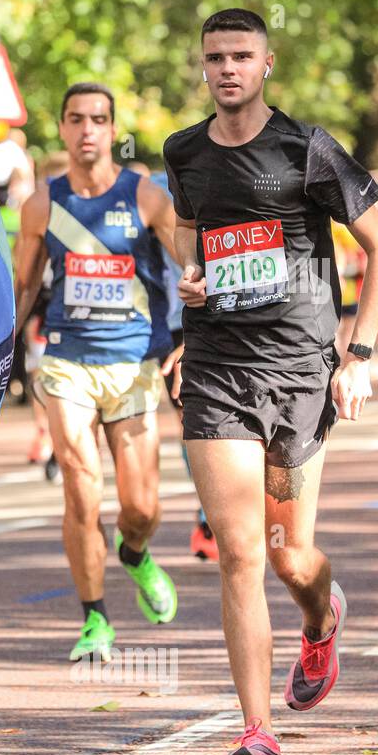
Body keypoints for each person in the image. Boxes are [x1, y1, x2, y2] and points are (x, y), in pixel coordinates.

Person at [164, 9, 378, 755]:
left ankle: (321, 616)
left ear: (267, 63)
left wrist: (357, 354)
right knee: (238, 552)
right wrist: (191, 282)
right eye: (214, 58)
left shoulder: (309, 149)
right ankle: (259, 738)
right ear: (203, 67)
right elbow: (193, 241)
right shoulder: (185, 152)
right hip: (218, 368)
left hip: (300, 373)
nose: (227, 68)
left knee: (288, 555)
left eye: (241, 56)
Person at [13, 82, 181, 664]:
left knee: (142, 508)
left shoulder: (148, 198)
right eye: (77, 119)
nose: (88, 130)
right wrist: (3, 353)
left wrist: (194, 338)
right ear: (61, 128)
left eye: (99, 120)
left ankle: (134, 553)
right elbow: (26, 284)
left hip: (134, 364)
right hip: (67, 362)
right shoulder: (40, 205)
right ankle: (95, 619)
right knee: (82, 491)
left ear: (113, 130)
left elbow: (193, 267)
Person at [151, 167, 217, 561]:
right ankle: (208, 514)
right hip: (172, 327)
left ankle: (223, 510)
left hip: (216, 318)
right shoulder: (148, 196)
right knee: (192, 422)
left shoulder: (219, 188)